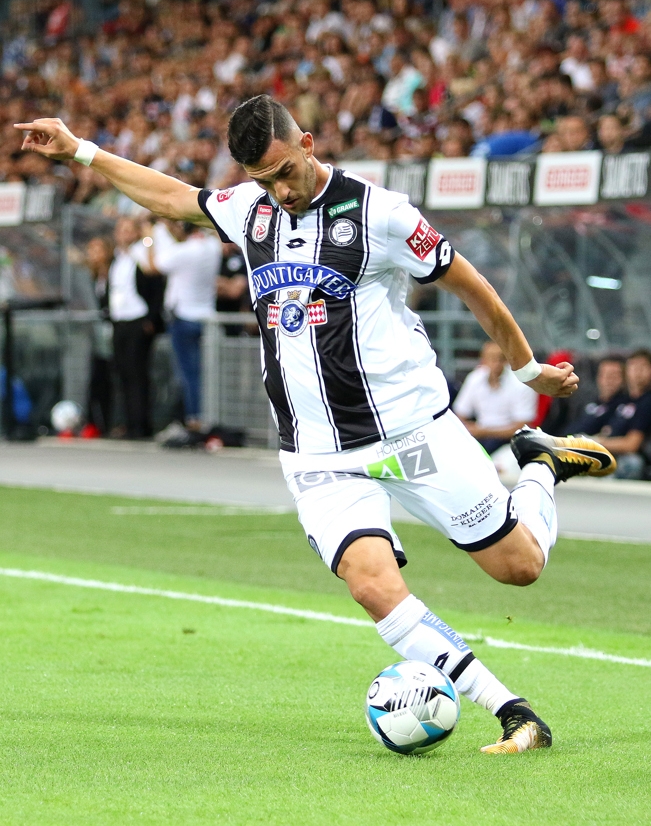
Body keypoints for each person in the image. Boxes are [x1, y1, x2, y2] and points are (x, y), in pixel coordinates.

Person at [15, 100, 616, 755]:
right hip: (319, 456)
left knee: (518, 568)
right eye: (260, 177)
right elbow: (170, 196)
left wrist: (528, 371)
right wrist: (79, 151)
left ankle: (540, 464)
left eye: (283, 172)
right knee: (371, 585)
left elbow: (470, 285)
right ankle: (512, 712)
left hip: (410, 434)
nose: (278, 190)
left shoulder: (380, 215)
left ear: (306, 141)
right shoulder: (251, 208)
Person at [149, 220, 221, 429]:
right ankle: (204, 416)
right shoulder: (212, 247)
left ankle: (194, 418)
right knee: (206, 372)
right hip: (206, 317)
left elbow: (155, 264)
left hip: (183, 317)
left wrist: (156, 232)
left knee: (189, 374)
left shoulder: (184, 252)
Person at [108, 217, 161, 439]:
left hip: (137, 319)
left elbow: (154, 283)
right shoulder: (117, 258)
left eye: (129, 230)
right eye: (121, 230)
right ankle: (128, 422)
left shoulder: (142, 252)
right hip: (119, 319)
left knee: (137, 373)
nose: (124, 234)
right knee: (123, 373)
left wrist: (151, 317)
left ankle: (140, 424)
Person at [453, 342, 538, 455]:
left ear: (507, 360)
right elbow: (460, 413)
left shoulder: (520, 384)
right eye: (491, 359)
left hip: (510, 441)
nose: (496, 364)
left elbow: (522, 426)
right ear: (483, 360)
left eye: (501, 359)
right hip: (480, 437)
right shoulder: (475, 378)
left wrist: (483, 431)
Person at [593, 349, 651, 480]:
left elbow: (631, 444)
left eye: (643, 366)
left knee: (631, 463)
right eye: (633, 365)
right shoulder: (623, 401)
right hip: (609, 450)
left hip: (629, 457)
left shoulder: (647, 402)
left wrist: (596, 442)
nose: (637, 371)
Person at [85, 236, 114, 435]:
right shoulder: (89, 278)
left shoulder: (115, 273)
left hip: (113, 332)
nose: (94, 255)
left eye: (98, 250)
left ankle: (110, 422)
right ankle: (95, 423)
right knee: (97, 378)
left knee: (112, 378)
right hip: (97, 336)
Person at [566, 356, 627, 437]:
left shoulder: (623, 409)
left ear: (623, 379)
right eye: (605, 374)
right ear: (598, 377)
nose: (609, 380)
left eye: (614, 375)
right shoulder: (588, 402)